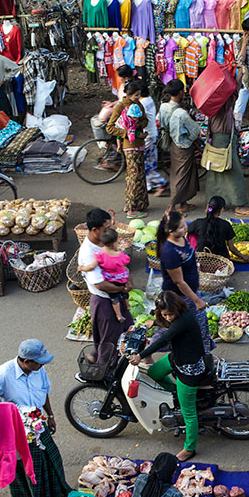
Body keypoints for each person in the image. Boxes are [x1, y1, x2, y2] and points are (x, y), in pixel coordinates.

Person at [0, 339, 72, 497]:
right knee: (27, 468)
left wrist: (50, 416)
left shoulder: (39, 370)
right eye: (39, 362)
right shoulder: (3, 374)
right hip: (17, 429)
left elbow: (44, 392)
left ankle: (56, 491)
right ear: (27, 361)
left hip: (38, 422)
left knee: (52, 458)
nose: (42, 365)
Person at [131, 292, 209, 461]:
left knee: (189, 413)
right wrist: (154, 322)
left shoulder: (183, 320)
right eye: (165, 314)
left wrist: (140, 355)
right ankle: (177, 394)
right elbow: (162, 319)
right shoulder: (174, 317)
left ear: (178, 309)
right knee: (153, 373)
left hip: (190, 368)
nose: (169, 317)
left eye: (170, 314)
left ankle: (190, 448)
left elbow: (162, 340)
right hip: (177, 358)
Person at [78, 208, 133, 365]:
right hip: (104, 301)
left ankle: (95, 358)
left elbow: (121, 264)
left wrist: (128, 279)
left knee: (128, 331)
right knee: (109, 343)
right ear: (95, 230)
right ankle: (105, 378)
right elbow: (100, 284)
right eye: (106, 227)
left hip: (117, 297)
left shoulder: (106, 242)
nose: (110, 230)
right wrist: (122, 289)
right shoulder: (88, 253)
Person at [157, 210, 212, 349]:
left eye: (184, 224)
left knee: (200, 324)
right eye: (181, 227)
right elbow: (179, 281)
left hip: (190, 291)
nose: (185, 228)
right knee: (191, 325)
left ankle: (205, 353)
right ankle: (148, 351)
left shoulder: (181, 238)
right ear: (170, 231)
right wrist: (197, 300)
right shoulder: (169, 252)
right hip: (180, 297)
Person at [204, 95, 249, 216]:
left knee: (217, 171)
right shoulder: (221, 100)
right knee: (233, 171)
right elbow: (234, 96)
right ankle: (239, 203)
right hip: (222, 138)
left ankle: (215, 203)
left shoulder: (213, 100)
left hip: (221, 137)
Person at [160, 79, 203, 213]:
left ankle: (183, 204)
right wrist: (191, 139)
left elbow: (162, 124)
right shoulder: (182, 114)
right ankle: (172, 205)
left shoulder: (163, 107)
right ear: (180, 92)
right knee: (183, 177)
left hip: (173, 145)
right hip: (184, 147)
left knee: (177, 174)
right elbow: (195, 131)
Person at [108, 85, 149, 217]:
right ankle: (131, 210)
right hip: (129, 146)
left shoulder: (138, 105)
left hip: (139, 144)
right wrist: (128, 132)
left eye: (139, 95)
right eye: (135, 95)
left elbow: (145, 121)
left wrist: (137, 126)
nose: (138, 98)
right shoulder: (120, 107)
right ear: (127, 94)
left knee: (139, 176)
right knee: (134, 177)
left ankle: (137, 204)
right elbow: (110, 128)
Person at [78, 227, 130, 325]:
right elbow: (126, 262)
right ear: (115, 243)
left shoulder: (99, 255)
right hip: (122, 279)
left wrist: (82, 268)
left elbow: (91, 267)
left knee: (114, 298)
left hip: (111, 280)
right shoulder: (120, 255)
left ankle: (118, 315)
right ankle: (127, 305)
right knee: (124, 293)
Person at [189, 197, 249, 261]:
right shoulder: (226, 225)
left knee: (191, 235)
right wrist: (242, 256)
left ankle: (195, 253)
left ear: (208, 206)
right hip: (221, 263)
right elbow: (231, 248)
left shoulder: (197, 222)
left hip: (201, 261)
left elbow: (185, 232)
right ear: (222, 209)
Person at [136, 80, 168, 197]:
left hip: (148, 136)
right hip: (152, 133)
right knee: (150, 161)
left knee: (146, 163)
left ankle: (160, 183)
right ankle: (149, 185)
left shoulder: (142, 104)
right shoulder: (149, 100)